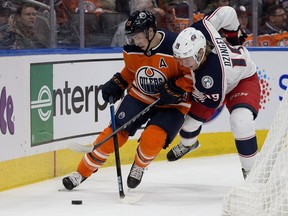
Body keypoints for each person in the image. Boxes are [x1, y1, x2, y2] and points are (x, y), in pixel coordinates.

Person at [62, 10, 193, 190]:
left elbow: (192, 73)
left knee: (151, 140)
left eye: (138, 37)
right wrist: (119, 82)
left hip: (173, 102)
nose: (136, 42)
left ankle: (139, 165)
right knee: (112, 136)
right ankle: (81, 172)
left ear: (150, 31)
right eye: (132, 37)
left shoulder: (175, 45)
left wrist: (178, 87)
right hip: (141, 95)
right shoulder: (132, 49)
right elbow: (131, 72)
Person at [166, 6, 261, 179]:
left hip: (243, 81)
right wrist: (233, 36)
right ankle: (188, 144)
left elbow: (213, 104)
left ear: (200, 52)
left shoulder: (211, 74)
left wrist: (182, 92)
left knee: (241, 122)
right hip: (221, 81)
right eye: (179, 59)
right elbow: (227, 11)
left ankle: (252, 173)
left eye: (186, 60)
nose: (182, 64)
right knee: (188, 126)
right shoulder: (201, 29)